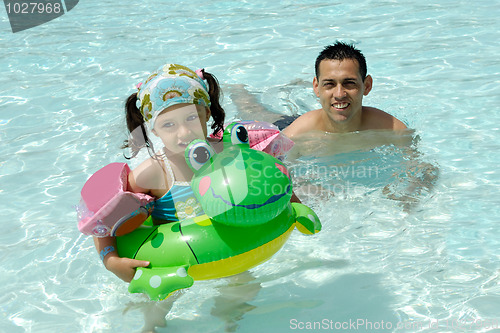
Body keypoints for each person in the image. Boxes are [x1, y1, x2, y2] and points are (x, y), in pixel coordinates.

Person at [93, 63, 300, 284]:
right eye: (169, 125)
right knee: (157, 310)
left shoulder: (228, 154)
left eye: (191, 118)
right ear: (153, 130)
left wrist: (296, 207)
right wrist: (111, 260)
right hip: (174, 260)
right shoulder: (154, 173)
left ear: (206, 114)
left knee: (245, 291)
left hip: (231, 246)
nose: (183, 132)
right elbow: (102, 221)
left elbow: (268, 183)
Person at [282, 41, 407, 138]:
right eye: (329, 84)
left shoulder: (395, 131)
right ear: (316, 87)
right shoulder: (294, 136)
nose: (339, 94)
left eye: (349, 83)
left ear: (367, 86)